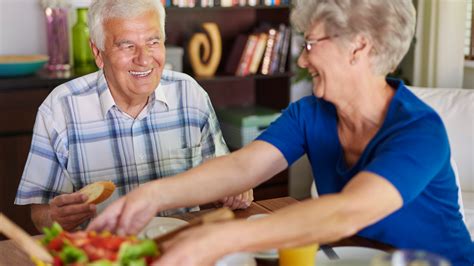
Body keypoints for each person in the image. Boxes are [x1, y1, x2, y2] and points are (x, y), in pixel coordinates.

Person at [89, 0, 474, 265]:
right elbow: (241, 168)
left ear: (358, 48)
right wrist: (152, 195)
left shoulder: (419, 131)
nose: (303, 59)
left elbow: (346, 212)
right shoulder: (311, 113)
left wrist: (219, 238)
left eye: (310, 44)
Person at [14, 0, 252, 232]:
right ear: (98, 52)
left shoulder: (190, 94)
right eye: (126, 46)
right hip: (105, 254)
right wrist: (56, 217)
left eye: (153, 42)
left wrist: (234, 189)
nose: (144, 58)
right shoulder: (60, 108)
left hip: (182, 250)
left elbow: (220, 178)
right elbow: (40, 215)